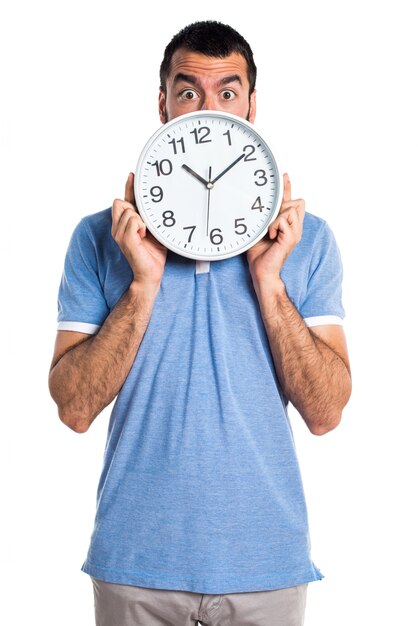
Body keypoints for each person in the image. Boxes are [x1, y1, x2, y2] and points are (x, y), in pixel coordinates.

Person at [49, 20, 352, 626]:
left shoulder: (306, 240)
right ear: (162, 105)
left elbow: (326, 412)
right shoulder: (100, 238)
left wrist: (269, 281)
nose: (207, 111)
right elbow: (74, 408)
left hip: (266, 565)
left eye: (227, 93)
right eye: (188, 93)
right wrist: (143, 282)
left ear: (252, 108)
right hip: (136, 564)